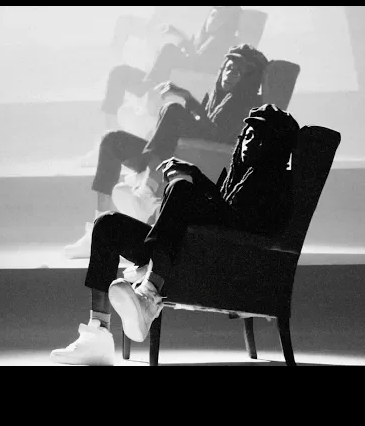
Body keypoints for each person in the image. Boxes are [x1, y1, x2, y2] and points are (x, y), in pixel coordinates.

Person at [49, 103, 301, 365]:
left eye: (260, 138)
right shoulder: (240, 175)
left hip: (223, 266)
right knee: (108, 224)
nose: (249, 142)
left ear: (277, 146)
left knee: (180, 188)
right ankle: (98, 334)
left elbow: (240, 229)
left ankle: (149, 294)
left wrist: (194, 180)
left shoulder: (278, 184)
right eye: (247, 135)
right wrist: (196, 178)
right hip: (189, 251)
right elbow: (223, 215)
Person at [63, 44, 269, 258]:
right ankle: (97, 227)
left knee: (173, 109)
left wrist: (188, 99)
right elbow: (200, 129)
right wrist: (189, 103)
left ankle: (147, 189)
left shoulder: (249, 103)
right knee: (112, 141)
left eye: (238, 71)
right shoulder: (216, 96)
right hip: (171, 157)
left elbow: (217, 138)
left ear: (250, 78)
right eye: (228, 67)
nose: (230, 73)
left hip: (195, 165)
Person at [99, 6, 243, 132]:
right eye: (212, 14)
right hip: (162, 77)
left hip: (176, 83)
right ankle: (110, 125)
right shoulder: (203, 37)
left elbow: (199, 64)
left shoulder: (227, 41)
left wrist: (179, 39)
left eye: (218, 16)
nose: (212, 19)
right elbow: (190, 53)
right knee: (119, 73)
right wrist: (178, 35)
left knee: (169, 49)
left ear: (227, 20)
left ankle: (145, 86)